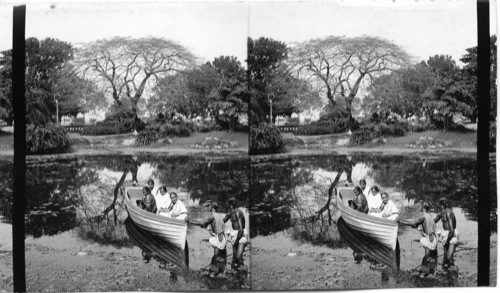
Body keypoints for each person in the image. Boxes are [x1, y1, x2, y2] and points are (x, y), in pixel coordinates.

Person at [400, 201, 438, 276]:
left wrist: (400, 221)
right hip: (433, 236)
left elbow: (412, 222)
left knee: (426, 256)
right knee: (431, 255)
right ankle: (430, 270)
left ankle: (424, 272)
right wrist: (416, 225)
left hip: (429, 238)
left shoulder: (423, 216)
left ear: (422, 208)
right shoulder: (429, 215)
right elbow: (420, 224)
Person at [190, 202, 227, 276]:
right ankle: (218, 271)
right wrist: (205, 225)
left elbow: (201, 222)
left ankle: (214, 272)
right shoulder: (218, 215)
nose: (209, 208)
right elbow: (209, 224)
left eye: (209, 207)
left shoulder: (212, 216)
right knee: (218, 256)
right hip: (223, 237)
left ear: (212, 208)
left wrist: (189, 221)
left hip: (219, 239)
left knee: (215, 256)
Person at [434, 198, 459, 269]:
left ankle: (453, 274)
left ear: (442, 205)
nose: (438, 207)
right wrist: (419, 224)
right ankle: (446, 272)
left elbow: (451, 230)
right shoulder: (441, 213)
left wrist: (447, 241)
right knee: (445, 256)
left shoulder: (448, 213)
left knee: (449, 257)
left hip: (452, 234)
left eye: (440, 205)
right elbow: (432, 222)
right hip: (446, 234)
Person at [223, 198, 248, 269]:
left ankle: (242, 273)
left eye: (230, 205)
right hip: (235, 234)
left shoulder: (237, 212)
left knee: (238, 256)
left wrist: (236, 241)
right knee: (234, 256)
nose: (229, 207)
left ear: (232, 205)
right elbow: (222, 221)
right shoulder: (230, 213)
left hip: (241, 234)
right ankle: (235, 272)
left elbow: (241, 230)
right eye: (229, 205)